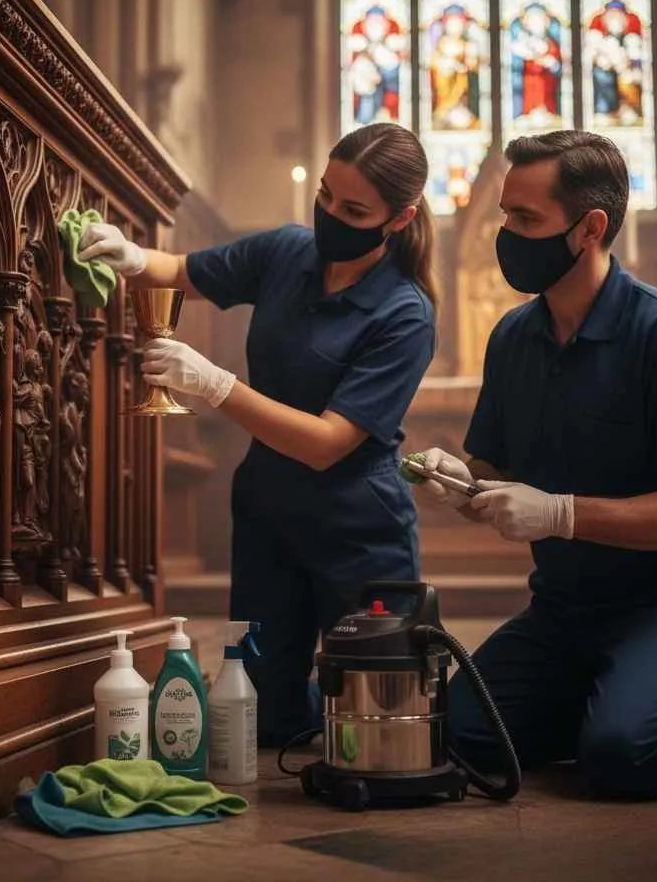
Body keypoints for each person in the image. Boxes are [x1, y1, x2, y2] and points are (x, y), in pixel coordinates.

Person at [410, 130, 657, 798]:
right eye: (503, 215)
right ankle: (611, 695)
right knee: (453, 737)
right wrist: (460, 483)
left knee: (627, 757)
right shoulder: (514, 338)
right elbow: (490, 468)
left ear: (590, 228)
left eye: (525, 220)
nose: (505, 235)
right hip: (567, 608)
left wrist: (560, 513)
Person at [79, 123, 437, 746]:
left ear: (399, 218)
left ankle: (357, 693)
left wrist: (218, 387)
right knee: (263, 723)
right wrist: (132, 257)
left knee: (381, 731)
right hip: (269, 508)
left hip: (357, 523)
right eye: (326, 196)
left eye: (353, 210)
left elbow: (328, 444)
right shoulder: (286, 252)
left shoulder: (404, 312)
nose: (330, 215)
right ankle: (313, 699)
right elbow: (184, 270)